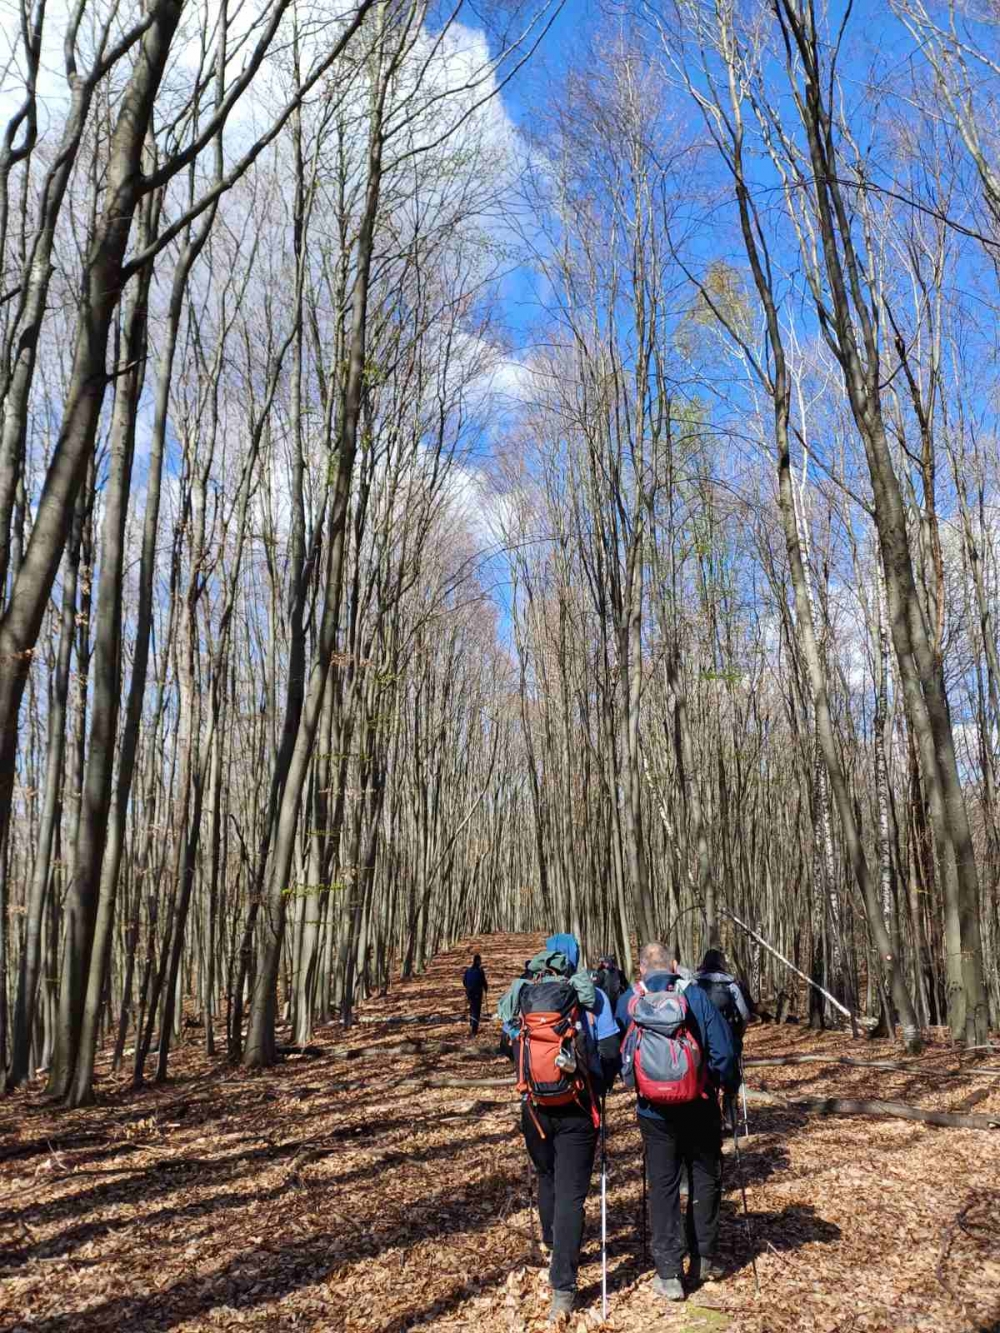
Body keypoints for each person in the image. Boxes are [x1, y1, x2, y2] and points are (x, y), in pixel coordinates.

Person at [498, 932, 620, 1324]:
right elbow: (610, 1052)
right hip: (579, 1109)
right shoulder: (591, 996)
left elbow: (508, 1045)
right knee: (571, 1195)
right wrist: (598, 1087)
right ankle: (563, 1288)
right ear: (575, 958)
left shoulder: (523, 994)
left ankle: (553, 1242)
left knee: (547, 1176)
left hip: (533, 1106)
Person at [616, 942, 738, 1304]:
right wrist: (716, 1082)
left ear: (641, 970)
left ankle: (668, 1273)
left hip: (653, 1112)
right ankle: (702, 1258)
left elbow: (620, 1054)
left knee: (664, 1185)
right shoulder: (695, 996)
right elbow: (725, 1052)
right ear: (674, 965)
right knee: (704, 1175)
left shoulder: (630, 1001)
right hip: (698, 1105)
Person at [694, 948, 751, 1055]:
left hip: (700, 1041)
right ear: (722, 963)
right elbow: (745, 1015)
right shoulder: (731, 985)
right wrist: (738, 1036)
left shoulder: (694, 984)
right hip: (727, 1039)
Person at [462, 953, 488, 1036]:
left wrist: (468, 988)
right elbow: (484, 982)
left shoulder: (468, 970)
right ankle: (474, 1030)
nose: (481, 962)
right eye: (480, 961)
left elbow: (464, 982)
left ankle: (472, 1023)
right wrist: (486, 989)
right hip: (477, 993)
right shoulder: (480, 971)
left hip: (470, 992)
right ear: (478, 961)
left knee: (472, 1007)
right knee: (476, 1010)